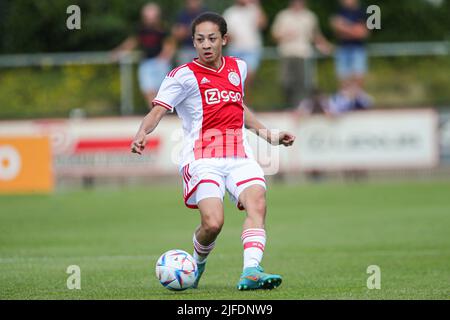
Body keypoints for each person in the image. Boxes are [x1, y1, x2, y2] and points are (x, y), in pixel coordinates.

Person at [131, 12, 296, 290]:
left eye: (212, 39)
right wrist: (142, 133)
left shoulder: (238, 68)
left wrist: (269, 135)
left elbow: (238, 107)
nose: (206, 45)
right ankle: (197, 264)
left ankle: (251, 271)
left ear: (224, 40)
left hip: (240, 156)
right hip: (202, 160)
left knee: (257, 204)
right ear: (193, 43)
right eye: (199, 40)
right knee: (213, 223)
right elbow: (157, 110)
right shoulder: (181, 76)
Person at [111, 3, 176, 109]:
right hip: (146, 62)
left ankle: (160, 112)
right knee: (148, 90)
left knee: (162, 91)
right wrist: (118, 52)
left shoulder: (163, 28)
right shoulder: (140, 28)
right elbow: (132, 42)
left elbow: (170, 44)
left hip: (160, 62)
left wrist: (163, 59)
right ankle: (154, 112)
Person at [271, 0, 333, 109]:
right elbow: (275, 36)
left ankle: (301, 108)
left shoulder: (310, 16)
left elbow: (315, 35)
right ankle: (289, 107)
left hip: (304, 55)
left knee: (304, 85)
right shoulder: (283, 16)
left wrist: (325, 45)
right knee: (286, 83)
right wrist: (286, 35)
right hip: (287, 54)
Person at [330, 0, 372, 109]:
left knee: (358, 75)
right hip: (343, 49)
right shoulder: (340, 12)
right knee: (343, 77)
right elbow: (337, 32)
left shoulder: (363, 12)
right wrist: (353, 29)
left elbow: (362, 33)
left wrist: (344, 27)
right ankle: (346, 102)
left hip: (358, 49)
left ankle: (356, 101)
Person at [223, 0, 267, 100]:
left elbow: (263, 24)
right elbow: (225, 33)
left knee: (248, 75)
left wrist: (256, 5)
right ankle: (238, 101)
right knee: (235, 78)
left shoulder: (253, 9)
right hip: (235, 49)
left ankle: (243, 100)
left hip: (252, 49)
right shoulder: (230, 12)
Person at [172, 0, 208, 65]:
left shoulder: (206, 14)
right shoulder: (182, 14)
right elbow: (177, 34)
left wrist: (187, 30)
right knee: (184, 62)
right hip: (186, 48)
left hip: (203, 48)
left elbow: (209, 32)